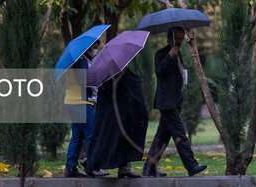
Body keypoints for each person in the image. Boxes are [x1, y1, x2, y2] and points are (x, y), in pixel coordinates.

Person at [142, 26, 207, 178]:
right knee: (180, 134)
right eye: (176, 40)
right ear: (169, 39)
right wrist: (170, 56)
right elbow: (159, 72)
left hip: (175, 102)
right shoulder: (162, 53)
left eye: (181, 39)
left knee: (162, 138)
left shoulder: (180, 55)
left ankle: (149, 169)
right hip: (166, 103)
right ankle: (191, 166)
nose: (179, 43)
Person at [86, 67, 148, 178]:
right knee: (106, 136)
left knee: (120, 137)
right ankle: (92, 164)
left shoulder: (114, 69)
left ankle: (124, 167)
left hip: (117, 111)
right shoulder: (112, 69)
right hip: (113, 111)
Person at [63, 44, 108, 178]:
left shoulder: (82, 60)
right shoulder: (81, 60)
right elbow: (82, 80)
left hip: (73, 102)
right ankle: (92, 166)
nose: (95, 49)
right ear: (87, 47)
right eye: (93, 46)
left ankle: (70, 168)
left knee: (77, 136)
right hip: (81, 102)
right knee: (92, 134)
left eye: (96, 46)